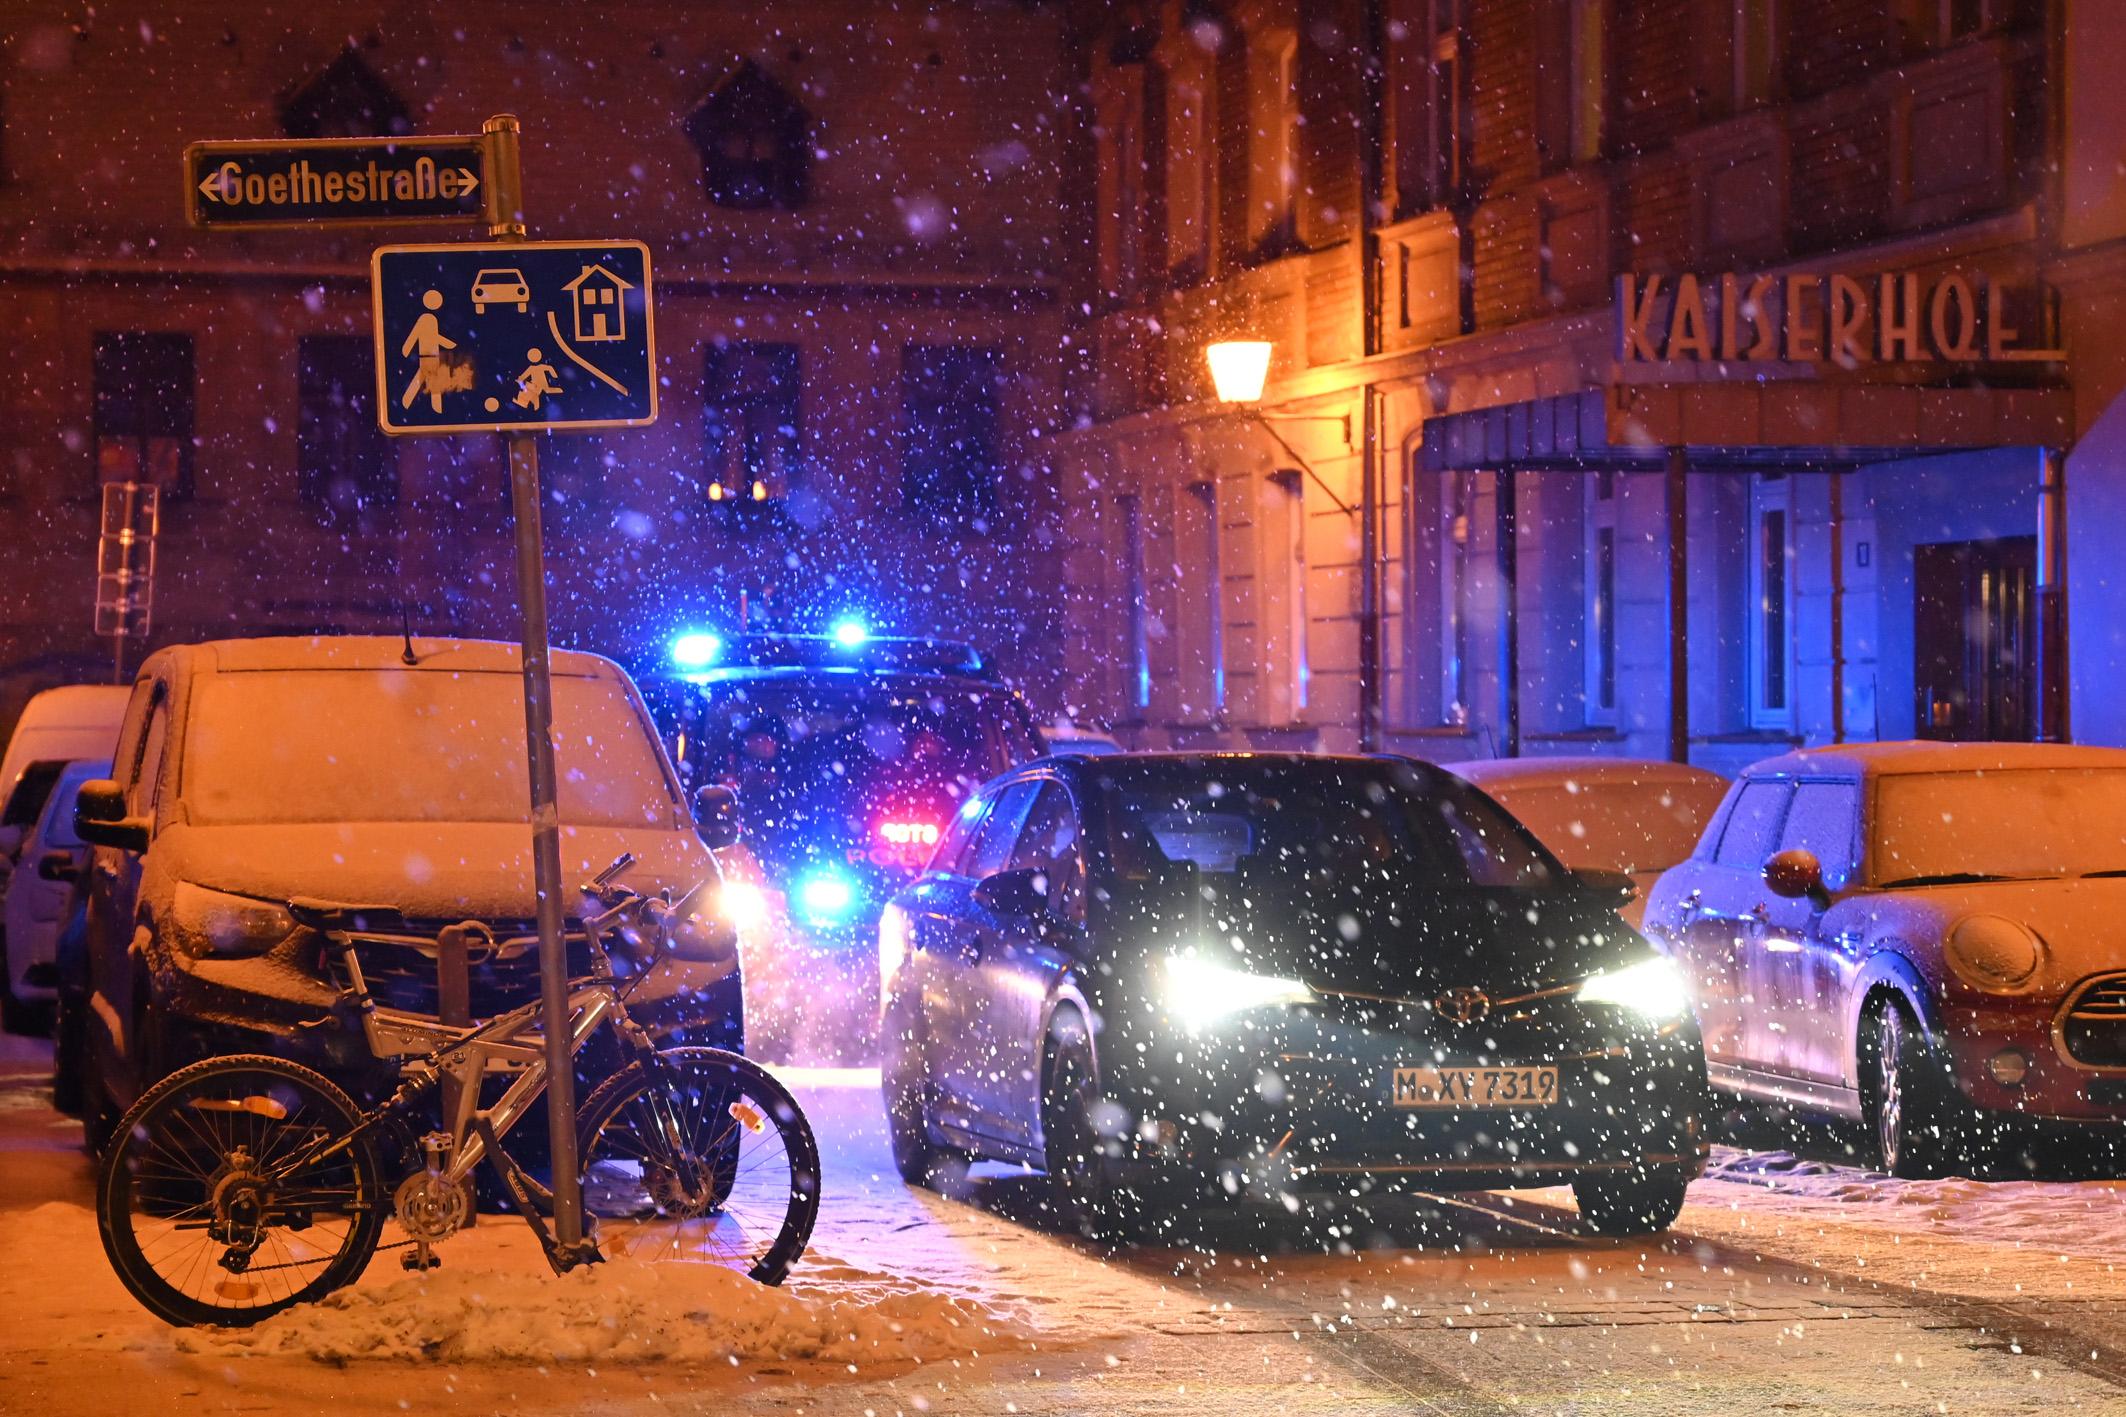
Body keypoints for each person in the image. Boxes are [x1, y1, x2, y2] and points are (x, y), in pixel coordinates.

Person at [399, 290, 458, 413]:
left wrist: (447, 343)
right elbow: (418, 334)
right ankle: (407, 402)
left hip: (432, 356)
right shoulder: (427, 318)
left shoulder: (430, 319)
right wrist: (407, 348)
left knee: (429, 381)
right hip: (427, 355)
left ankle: (434, 408)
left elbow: (432, 336)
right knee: (423, 379)